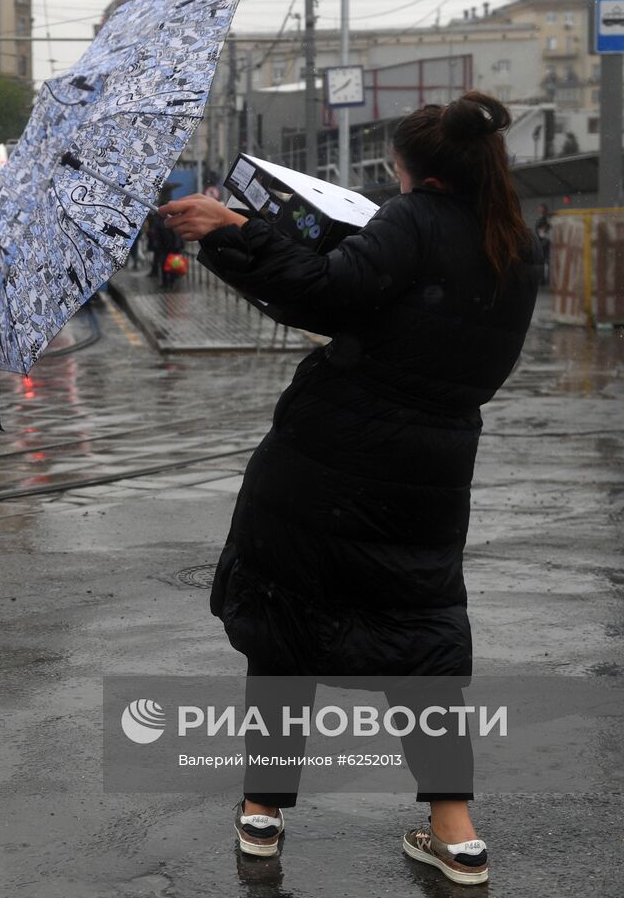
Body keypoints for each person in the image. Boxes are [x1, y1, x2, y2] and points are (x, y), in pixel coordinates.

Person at [158, 91, 540, 886]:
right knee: (425, 640)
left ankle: (261, 819)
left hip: (327, 459)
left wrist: (235, 232)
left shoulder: (410, 222)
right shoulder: (515, 243)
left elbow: (328, 297)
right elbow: (434, 335)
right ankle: (455, 833)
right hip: (432, 473)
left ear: (409, 169)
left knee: (283, 628)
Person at [534, 204, 553, 285]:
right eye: (539, 208)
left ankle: (545, 281)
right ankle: (543, 281)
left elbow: (546, 230)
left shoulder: (546, 218)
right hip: (541, 243)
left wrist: (543, 243)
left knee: (546, 263)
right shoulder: (541, 218)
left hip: (545, 243)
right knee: (543, 263)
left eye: (541, 208)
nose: (539, 209)